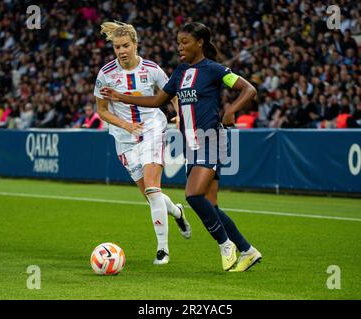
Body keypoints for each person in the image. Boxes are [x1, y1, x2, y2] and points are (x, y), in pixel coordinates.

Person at [100, 22, 261, 272]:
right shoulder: (181, 72)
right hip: (191, 143)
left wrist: (231, 109)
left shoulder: (215, 70)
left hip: (210, 138)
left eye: (185, 42)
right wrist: (121, 97)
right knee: (212, 206)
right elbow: (157, 100)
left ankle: (225, 244)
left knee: (193, 195)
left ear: (200, 43)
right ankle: (248, 251)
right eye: (178, 42)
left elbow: (249, 89)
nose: (179, 47)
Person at [93, 21, 191, 265]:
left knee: (151, 187)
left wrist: (179, 114)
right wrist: (125, 126)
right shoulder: (106, 74)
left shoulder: (152, 69)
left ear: (135, 44)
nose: (121, 51)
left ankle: (163, 250)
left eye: (126, 45)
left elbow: (172, 94)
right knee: (150, 196)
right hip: (124, 138)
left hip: (153, 130)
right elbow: (102, 111)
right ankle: (177, 212)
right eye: (117, 47)